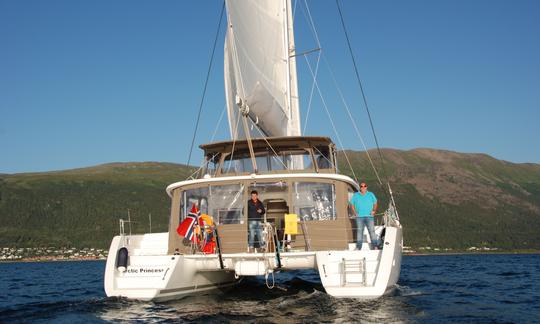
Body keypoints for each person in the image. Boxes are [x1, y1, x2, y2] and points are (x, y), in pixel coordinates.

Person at [349, 182, 379, 250]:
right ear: (360, 187)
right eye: (361, 186)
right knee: (359, 232)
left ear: (366, 187)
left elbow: (375, 203)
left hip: (369, 216)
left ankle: (375, 246)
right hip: (359, 217)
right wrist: (354, 212)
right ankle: (358, 247)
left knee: (372, 231)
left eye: (364, 186)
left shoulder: (371, 194)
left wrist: (374, 210)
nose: (363, 187)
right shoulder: (356, 195)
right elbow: (351, 204)